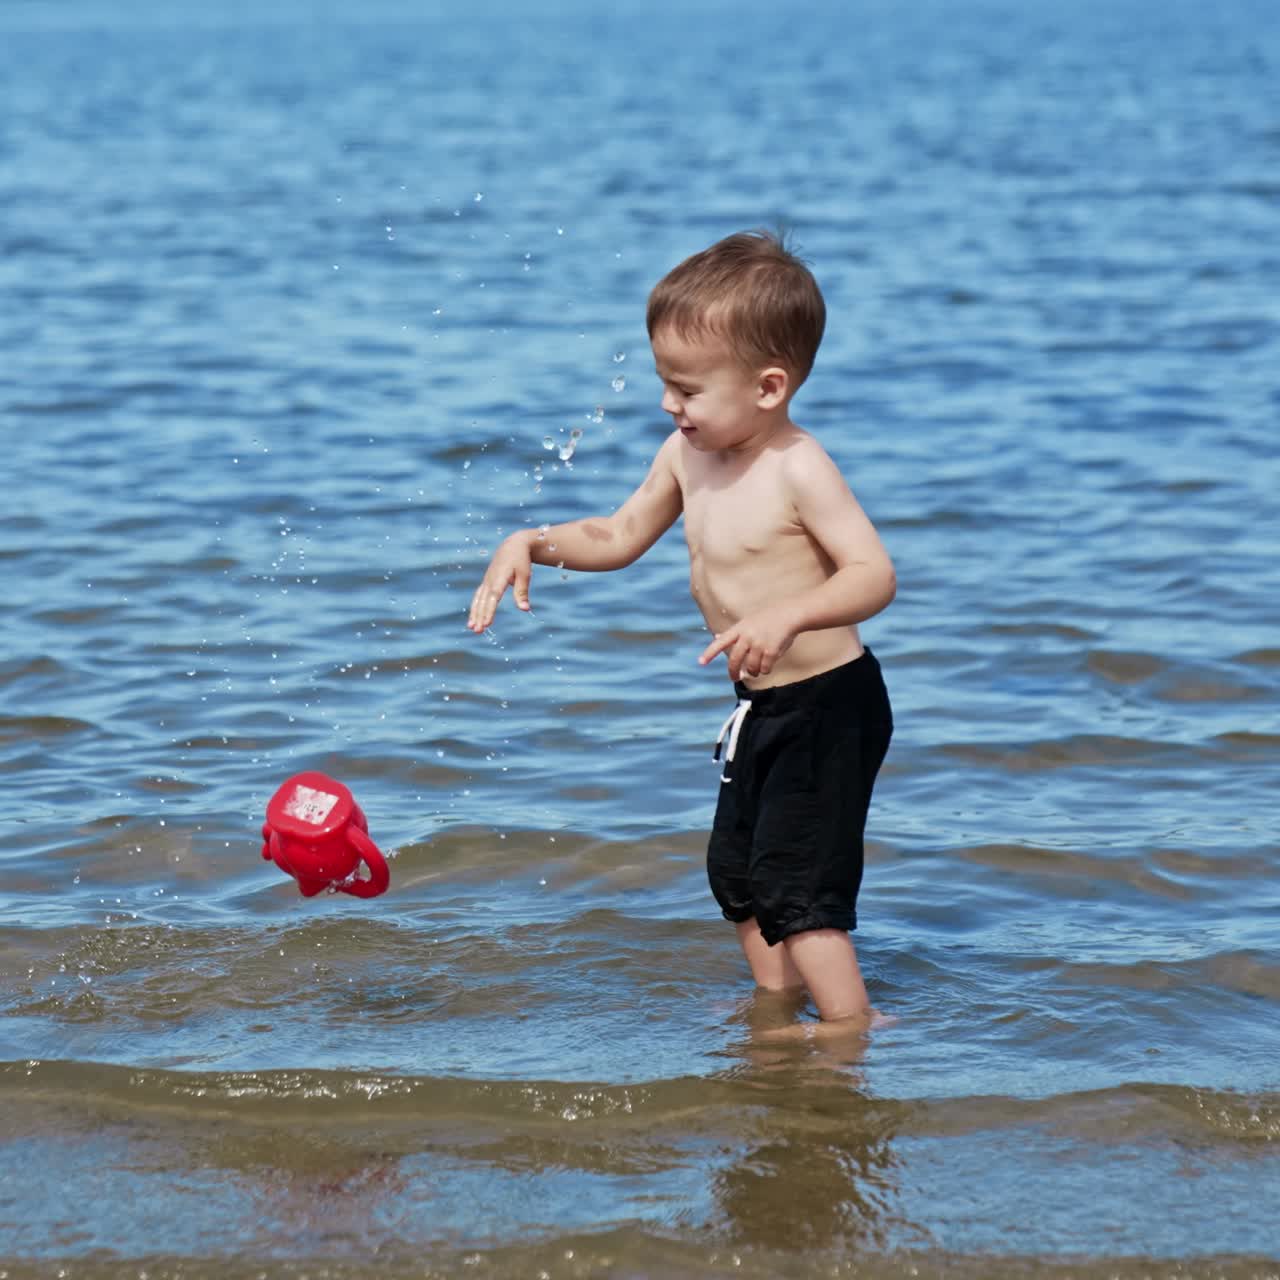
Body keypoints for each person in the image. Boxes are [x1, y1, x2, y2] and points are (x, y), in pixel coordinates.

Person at [467, 230, 895, 1026]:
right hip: (760, 708)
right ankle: (777, 1012)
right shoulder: (684, 454)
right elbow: (621, 535)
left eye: (689, 389)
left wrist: (790, 611)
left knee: (799, 888)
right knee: (736, 875)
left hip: (829, 704)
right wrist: (532, 541)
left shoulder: (798, 467)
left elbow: (874, 575)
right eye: (667, 384)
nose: (670, 404)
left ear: (768, 388)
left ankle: (851, 1035)